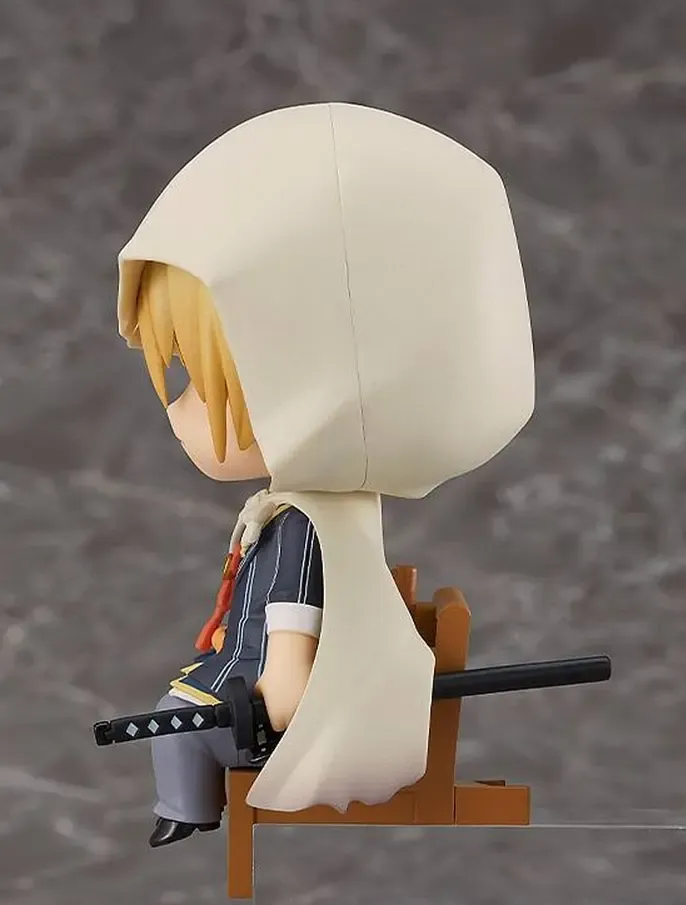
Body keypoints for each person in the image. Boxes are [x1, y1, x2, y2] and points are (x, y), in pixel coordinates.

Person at [115, 102, 535, 847]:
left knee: (177, 724)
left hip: (259, 700)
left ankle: (186, 810)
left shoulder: (304, 529)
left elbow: (291, 639)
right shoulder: (291, 516)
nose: (178, 409)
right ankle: (186, 805)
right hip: (239, 674)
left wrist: (278, 697)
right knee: (175, 714)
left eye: (204, 381)